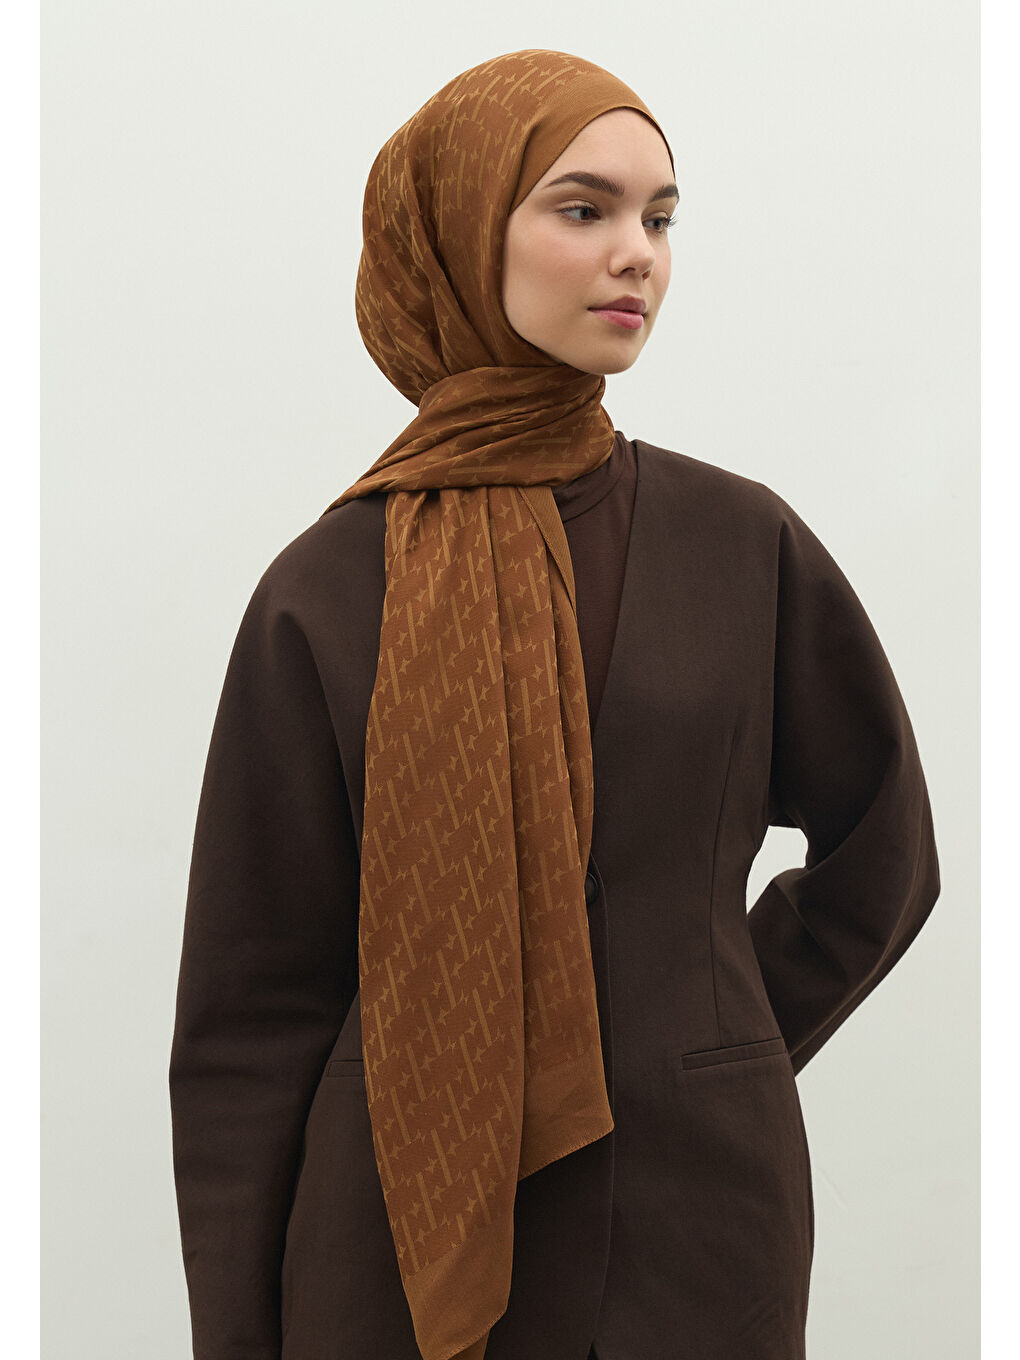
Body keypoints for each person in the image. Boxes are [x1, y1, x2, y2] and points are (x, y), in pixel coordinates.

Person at [168, 48, 941, 1360]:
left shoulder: (739, 545)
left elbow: (887, 847)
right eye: (584, 209)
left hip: (696, 1228)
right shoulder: (329, 590)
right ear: (461, 237)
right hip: (390, 1243)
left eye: (660, 217)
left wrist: (716, 1033)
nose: (637, 252)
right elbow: (252, 1011)